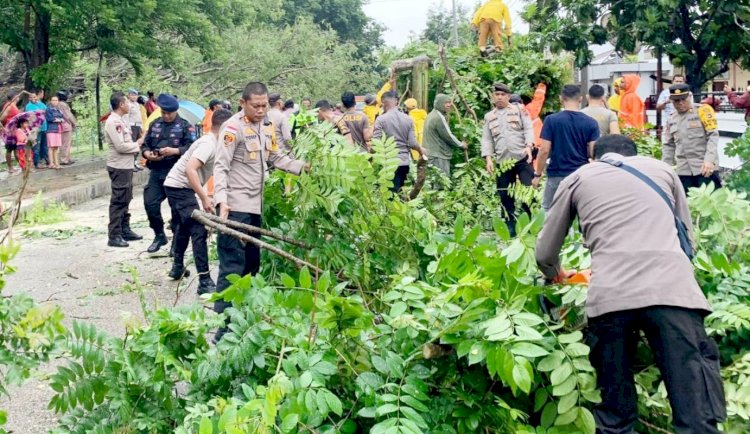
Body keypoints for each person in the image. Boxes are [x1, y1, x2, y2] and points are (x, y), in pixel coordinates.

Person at [536, 134, 725, 434]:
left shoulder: (580, 176)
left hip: (611, 296)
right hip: (674, 293)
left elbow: (545, 253)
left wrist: (558, 273)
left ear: (594, 158)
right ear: (635, 154)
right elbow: (687, 238)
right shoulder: (663, 171)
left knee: (615, 418)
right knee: (696, 414)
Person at [213, 82, 309, 340]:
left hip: (255, 206)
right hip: (234, 207)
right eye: (255, 105)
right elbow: (220, 166)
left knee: (253, 265)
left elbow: (275, 158)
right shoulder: (232, 128)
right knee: (232, 266)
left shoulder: (267, 126)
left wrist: (303, 167)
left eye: (264, 105)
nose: (260, 110)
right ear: (243, 103)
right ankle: (223, 329)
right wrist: (221, 200)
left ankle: (243, 320)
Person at [164, 108, 232, 293]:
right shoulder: (208, 144)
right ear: (225, 126)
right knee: (198, 230)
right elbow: (190, 170)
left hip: (178, 187)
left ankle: (177, 267)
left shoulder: (216, 143)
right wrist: (204, 198)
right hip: (179, 187)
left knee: (184, 227)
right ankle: (204, 281)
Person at [141, 94, 196, 254]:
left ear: (175, 111)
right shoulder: (154, 124)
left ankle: (176, 243)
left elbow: (193, 147)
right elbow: (145, 145)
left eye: (169, 113)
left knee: (176, 210)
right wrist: (147, 154)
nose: (166, 116)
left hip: (176, 172)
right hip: (157, 171)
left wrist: (176, 150)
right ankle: (159, 235)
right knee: (150, 203)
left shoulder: (185, 126)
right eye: (163, 112)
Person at [533, 84, 600, 211]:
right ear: (580, 99)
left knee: (549, 210)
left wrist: (538, 174)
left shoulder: (551, 120)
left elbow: (544, 150)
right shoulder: (591, 122)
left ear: (561, 98)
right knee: (582, 210)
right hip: (581, 174)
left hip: (557, 174)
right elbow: (593, 152)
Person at [482, 83, 535, 234]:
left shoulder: (519, 110)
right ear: (493, 97)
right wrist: (488, 159)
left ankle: (529, 223)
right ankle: (509, 225)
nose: (499, 97)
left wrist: (529, 145)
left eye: (502, 95)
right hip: (503, 161)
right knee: (505, 194)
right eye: (496, 95)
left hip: (522, 158)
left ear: (508, 96)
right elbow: (486, 139)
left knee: (527, 190)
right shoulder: (489, 116)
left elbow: (528, 128)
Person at [104, 92, 145, 247]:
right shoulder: (114, 122)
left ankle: (124, 229)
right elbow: (120, 146)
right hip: (119, 165)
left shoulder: (121, 120)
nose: (129, 104)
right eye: (127, 102)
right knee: (119, 200)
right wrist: (138, 144)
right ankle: (114, 234)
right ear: (121, 104)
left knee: (126, 198)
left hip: (126, 165)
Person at [662, 83, 721, 192]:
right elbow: (668, 146)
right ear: (671, 101)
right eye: (676, 101)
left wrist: (709, 160)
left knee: (712, 203)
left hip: (704, 167)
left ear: (690, 96)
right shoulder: (671, 119)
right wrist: (665, 168)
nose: (680, 103)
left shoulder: (703, 110)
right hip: (683, 170)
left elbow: (713, 136)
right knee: (687, 205)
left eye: (683, 99)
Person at [373, 91, 426, 193]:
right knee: (400, 191)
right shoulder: (408, 119)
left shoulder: (381, 120)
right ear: (396, 102)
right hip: (404, 162)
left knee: (389, 194)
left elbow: (376, 142)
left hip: (388, 162)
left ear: (383, 104)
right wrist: (421, 150)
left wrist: (370, 157)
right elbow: (412, 143)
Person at [424, 94, 466, 177]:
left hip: (430, 154)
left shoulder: (431, 114)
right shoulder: (438, 117)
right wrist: (461, 145)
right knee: (441, 184)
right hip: (438, 155)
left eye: (450, 102)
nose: (449, 105)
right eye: (446, 102)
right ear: (439, 103)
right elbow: (448, 136)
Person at [24, 89, 48, 169]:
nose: (33, 98)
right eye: (31, 97)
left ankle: (46, 160)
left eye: (34, 97)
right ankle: (37, 163)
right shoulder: (28, 106)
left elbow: (45, 109)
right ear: (29, 98)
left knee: (44, 145)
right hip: (36, 129)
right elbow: (33, 116)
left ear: (36, 97)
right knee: (36, 147)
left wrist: (40, 106)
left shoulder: (40, 103)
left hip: (44, 127)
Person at [3, 91, 22, 173]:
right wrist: (7, 125)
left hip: (15, 130)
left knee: (15, 149)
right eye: (17, 96)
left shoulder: (14, 105)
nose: (18, 97)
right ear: (14, 97)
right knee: (10, 149)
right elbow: (2, 117)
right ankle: (10, 168)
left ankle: (21, 166)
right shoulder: (9, 105)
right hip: (10, 130)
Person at [56, 91, 77, 165]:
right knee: (66, 143)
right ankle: (64, 159)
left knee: (63, 143)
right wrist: (74, 123)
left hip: (61, 125)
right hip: (66, 125)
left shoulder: (58, 104)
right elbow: (68, 115)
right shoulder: (63, 104)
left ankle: (66, 158)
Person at [45, 95, 65, 169]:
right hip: (51, 130)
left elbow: (62, 118)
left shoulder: (59, 110)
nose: (54, 102)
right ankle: (51, 163)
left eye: (56, 100)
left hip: (58, 130)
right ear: (51, 101)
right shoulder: (48, 110)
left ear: (58, 101)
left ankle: (57, 163)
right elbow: (50, 119)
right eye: (53, 100)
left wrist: (58, 119)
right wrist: (58, 119)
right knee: (51, 147)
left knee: (56, 147)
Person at [525, 83, 547, 150]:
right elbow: (538, 99)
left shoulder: (509, 114)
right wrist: (542, 85)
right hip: (537, 145)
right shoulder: (531, 109)